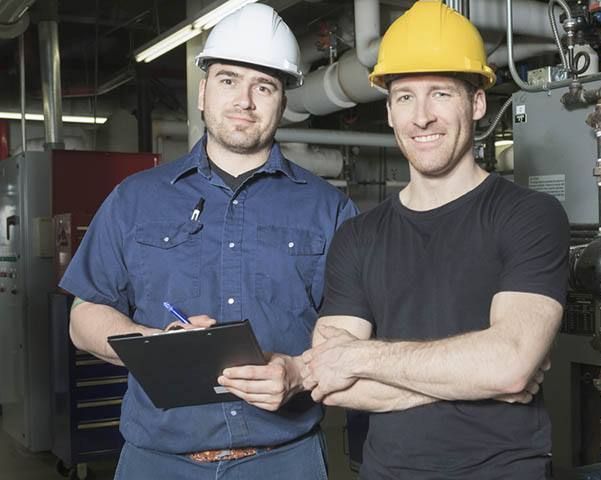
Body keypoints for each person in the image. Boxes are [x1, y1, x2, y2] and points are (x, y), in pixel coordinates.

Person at [59, 4, 356, 479]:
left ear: (282, 101)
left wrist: (299, 372)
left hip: (286, 461)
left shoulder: (329, 209)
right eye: (228, 80)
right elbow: (84, 318)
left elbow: (350, 331)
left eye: (264, 86)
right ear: (202, 92)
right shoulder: (135, 200)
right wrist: (156, 344)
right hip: (158, 462)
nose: (245, 100)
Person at [301, 2, 569, 479]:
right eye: (405, 97)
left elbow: (509, 366)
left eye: (441, 93)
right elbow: (330, 380)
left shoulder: (529, 216)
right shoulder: (357, 237)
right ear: (388, 111)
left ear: (478, 103)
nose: (421, 117)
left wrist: (362, 357)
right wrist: (479, 377)